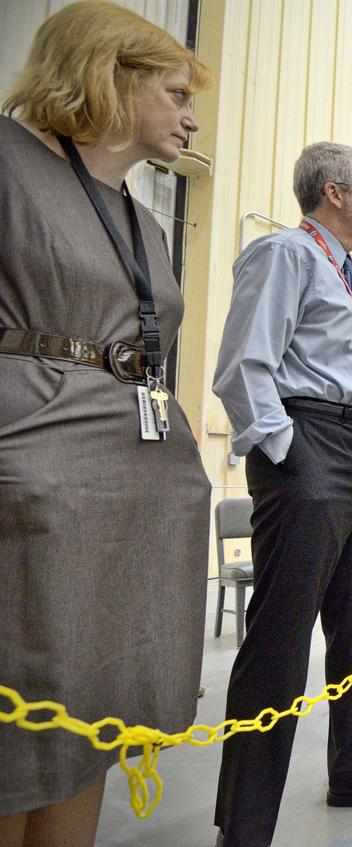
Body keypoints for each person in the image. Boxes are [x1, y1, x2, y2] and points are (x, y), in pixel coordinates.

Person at [0, 4, 212, 845]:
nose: (190, 117)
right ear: (108, 78)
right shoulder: (8, 165)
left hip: (135, 480)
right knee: (24, 705)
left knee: (92, 708)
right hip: (40, 461)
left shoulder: (141, 214)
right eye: (174, 93)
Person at [212, 143, 352, 846]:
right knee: (279, 641)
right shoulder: (285, 254)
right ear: (334, 193)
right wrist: (288, 451)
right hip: (308, 447)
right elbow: (242, 365)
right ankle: (245, 825)